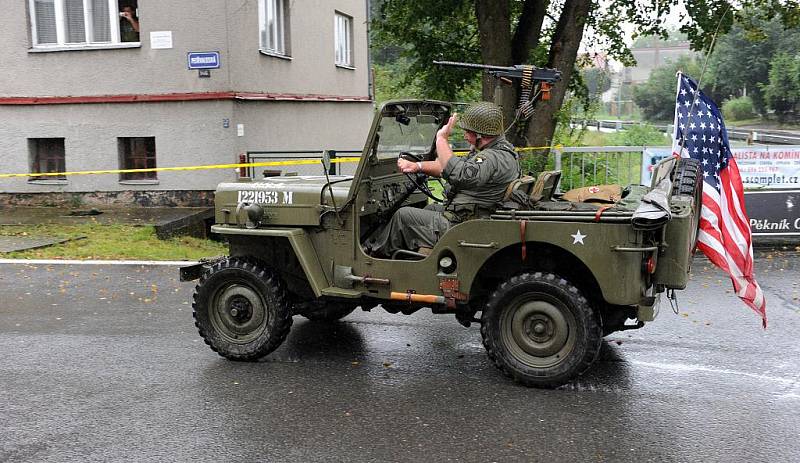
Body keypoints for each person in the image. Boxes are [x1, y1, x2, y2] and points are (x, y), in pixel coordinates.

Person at [365, 101, 520, 258]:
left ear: (481, 134)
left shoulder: (491, 158)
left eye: (468, 132)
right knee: (429, 210)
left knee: (403, 216)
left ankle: (374, 257)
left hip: (465, 224)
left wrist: (441, 139)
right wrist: (417, 166)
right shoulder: (500, 153)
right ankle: (414, 258)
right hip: (472, 216)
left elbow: (459, 174)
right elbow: (451, 167)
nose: (465, 136)